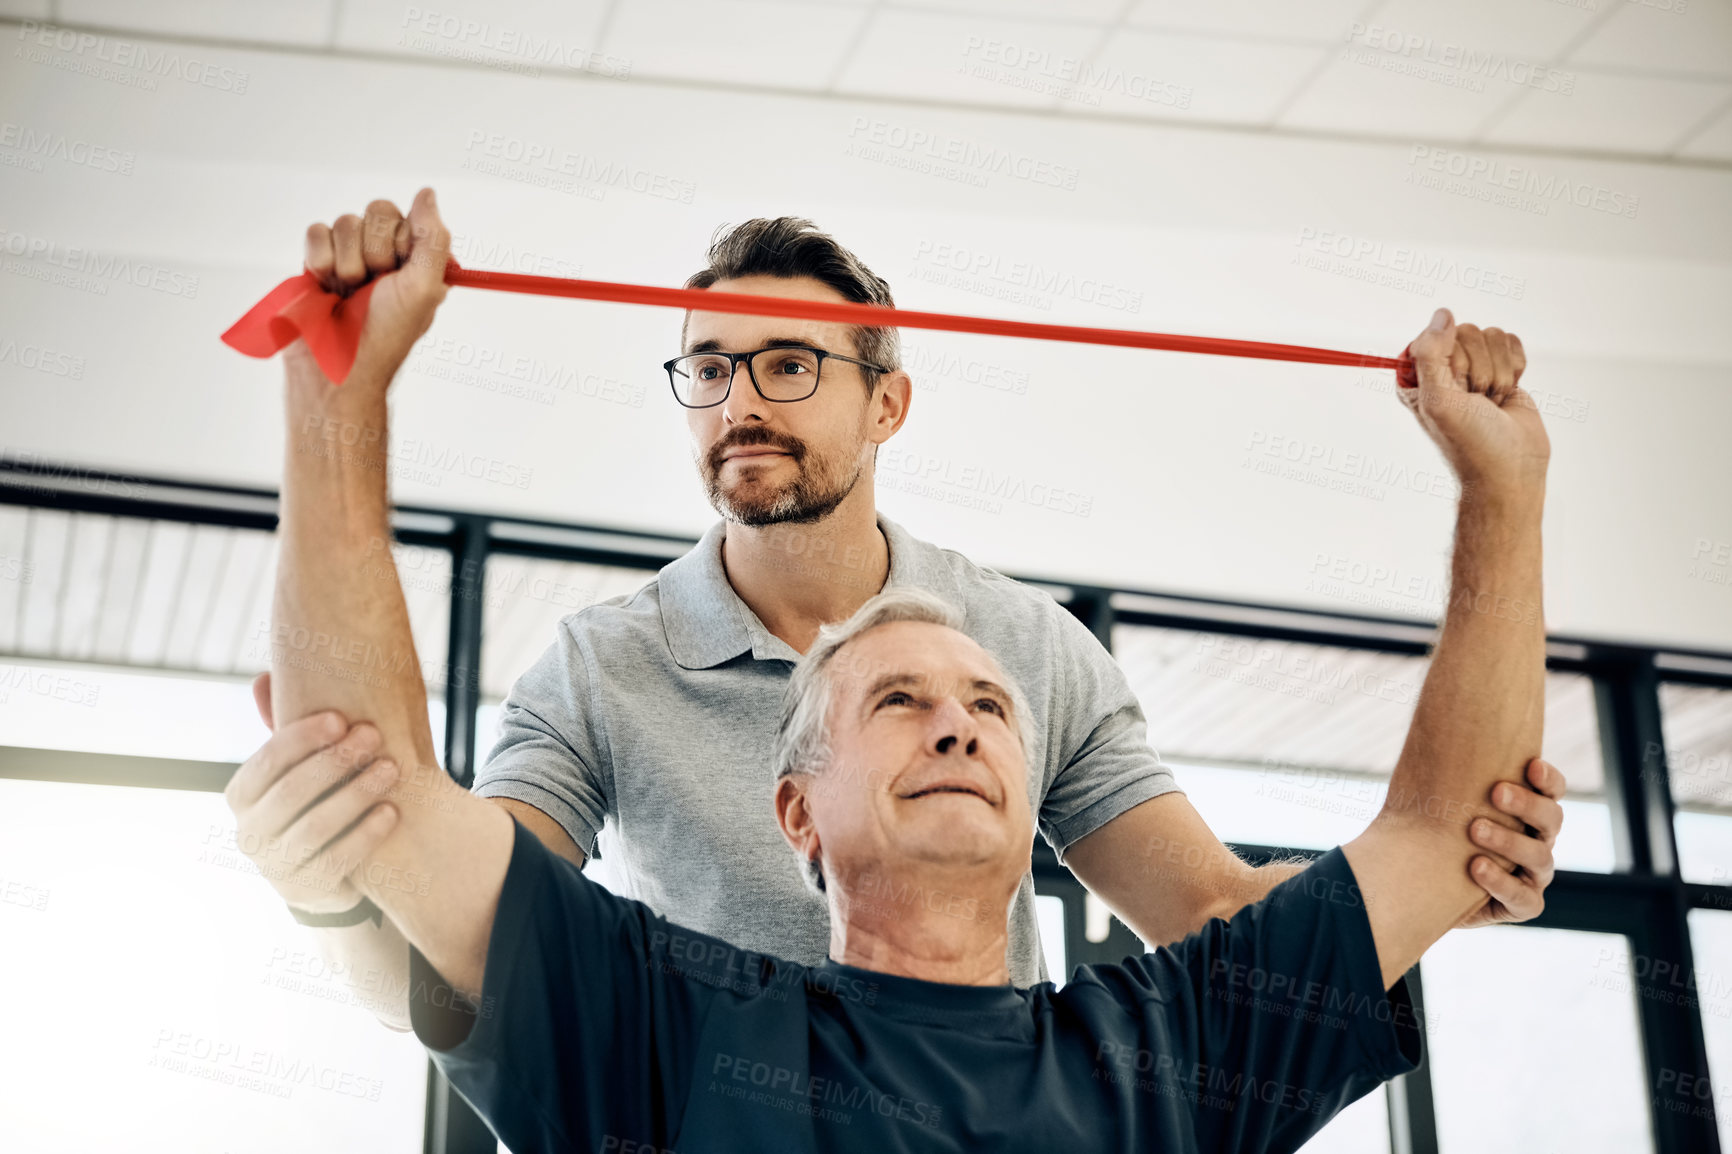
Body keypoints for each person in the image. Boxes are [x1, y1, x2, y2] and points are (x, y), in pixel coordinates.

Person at [227, 277, 1554, 1144]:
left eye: (988, 705)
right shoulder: (663, 1029)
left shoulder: (1166, 1049)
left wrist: (1505, 487)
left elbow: (1444, 833)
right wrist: (331, 400)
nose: (962, 720)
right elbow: (381, 793)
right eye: (902, 699)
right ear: (795, 806)